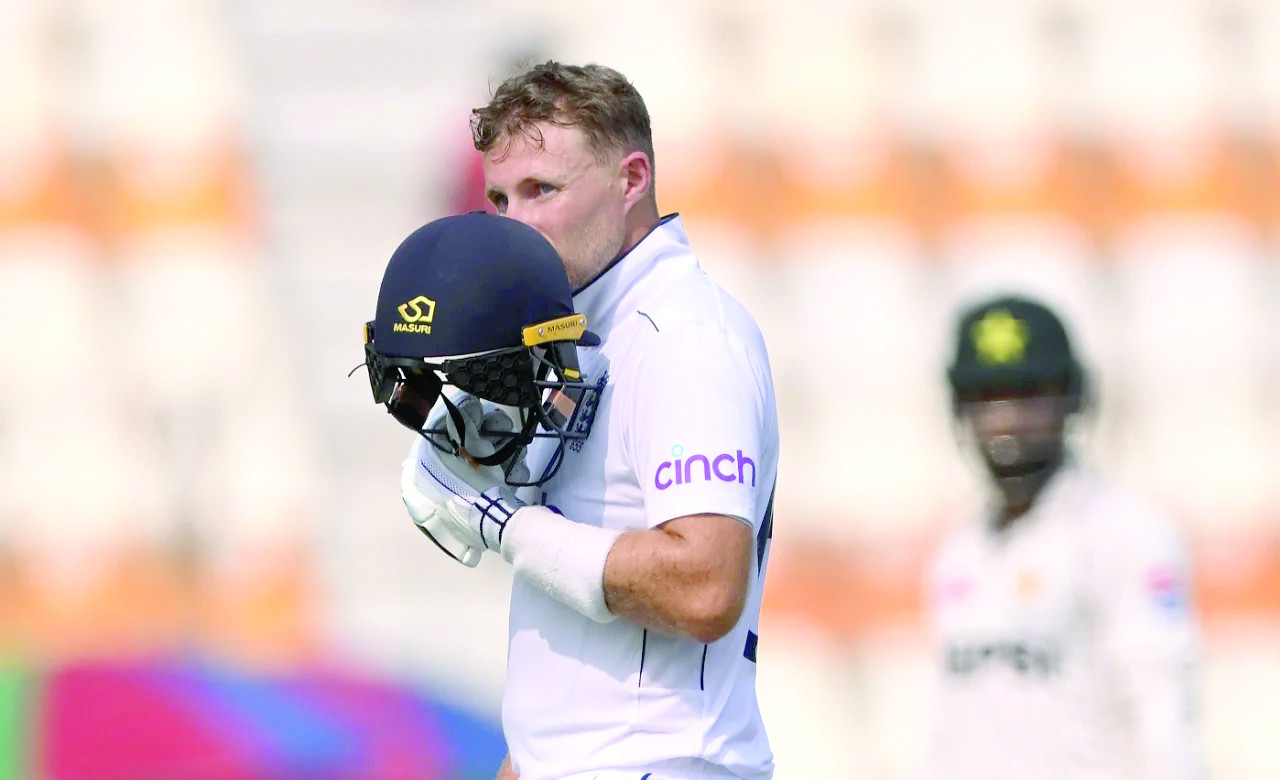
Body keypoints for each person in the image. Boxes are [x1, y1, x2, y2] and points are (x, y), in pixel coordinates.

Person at [374, 62, 778, 780]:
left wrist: (503, 525)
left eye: (542, 191)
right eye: (500, 198)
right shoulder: (575, 330)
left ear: (631, 180)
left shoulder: (682, 335)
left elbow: (707, 585)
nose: (516, 223)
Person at [925, 294, 1206, 779]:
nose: (1006, 421)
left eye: (1029, 394)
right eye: (986, 397)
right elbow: (952, 729)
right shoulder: (960, 552)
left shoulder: (1124, 532)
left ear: (1072, 399)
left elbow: (1163, 713)